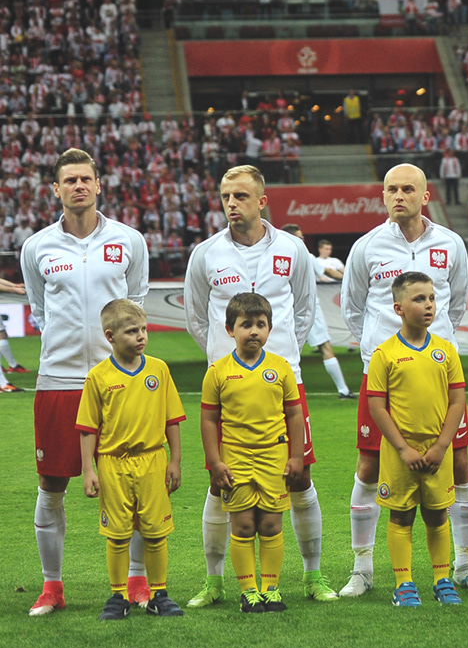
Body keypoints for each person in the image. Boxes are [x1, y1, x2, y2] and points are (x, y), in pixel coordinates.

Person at [342, 163, 468, 595]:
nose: (398, 196)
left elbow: (456, 303)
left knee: (459, 463)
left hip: (438, 373)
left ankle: (465, 564)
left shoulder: (451, 244)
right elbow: (354, 308)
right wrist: (379, 349)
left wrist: (433, 351)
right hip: (384, 374)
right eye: (391, 189)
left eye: (407, 189)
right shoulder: (367, 246)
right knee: (369, 465)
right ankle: (362, 568)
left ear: (425, 196)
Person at [183, 166, 330, 606]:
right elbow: (196, 317)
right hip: (227, 387)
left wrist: (279, 360)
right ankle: (214, 582)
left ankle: (312, 576)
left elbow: (304, 311)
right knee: (219, 481)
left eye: (241, 196)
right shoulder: (205, 253)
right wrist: (224, 360)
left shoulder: (293, 249)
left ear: (262, 201)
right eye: (226, 196)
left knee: (299, 477)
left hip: (283, 384)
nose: (231, 203)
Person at [21, 148, 151, 617]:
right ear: (55, 190)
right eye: (69, 180)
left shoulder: (130, 240)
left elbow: (134, 306)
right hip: (58, 379)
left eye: (85, 179)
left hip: (117, 380)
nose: (78, 186)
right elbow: (39, 310)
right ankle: (52, 587)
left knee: (131, 481)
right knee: (51, 481)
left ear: (99, 186)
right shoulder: (36, 247)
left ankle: (137, 581)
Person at [76, 299, 187, 619]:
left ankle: (159, 594)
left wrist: (175, 461)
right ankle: (117, 596)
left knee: (155, 531)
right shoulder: (98, 377)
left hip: (153, 461)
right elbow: (87, 428)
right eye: (131, 332)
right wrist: (88, 471)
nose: (141, 337)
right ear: (110, 336)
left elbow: (172, 420)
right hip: (113, 464)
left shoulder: (158, 370)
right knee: (118, 533)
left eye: (144, 330)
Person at [366, 272, 468, 607]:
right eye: (419, 299)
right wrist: (403, 448)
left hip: (439, 450)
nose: (428, 305)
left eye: (431, 298)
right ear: (398, 307)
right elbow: (376, 406)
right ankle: (404, 584)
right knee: (401, 516)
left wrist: (441, 447)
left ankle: (442, 580)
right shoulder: (385, 354)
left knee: (438, 514)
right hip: (400, 453)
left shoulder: (445, 351)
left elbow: (457, 400)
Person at [201, 292, 307, 613]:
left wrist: (297, 456)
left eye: (261, 324)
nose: (254, 331)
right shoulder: (218, 371)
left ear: (270, 329)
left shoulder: (281, 368)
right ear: (230, 330)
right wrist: (216, 462)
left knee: (272, 525)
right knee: (244, 525)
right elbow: (208, 419)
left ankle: (271, 589)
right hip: (235, 459)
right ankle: (249, 591)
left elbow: (293, 415)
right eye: (246, 325)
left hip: (273, 458)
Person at [282, 224, 353, 399]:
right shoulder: (304, 255)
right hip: (298, 309)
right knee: (320, 347)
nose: (302, 241)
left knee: (292, 349)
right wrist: (349, 280)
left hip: (296, 308)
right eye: (299, 238)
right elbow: (328, 272)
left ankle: (342, 390)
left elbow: (328, 271)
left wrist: (347, 279)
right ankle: (342, 390)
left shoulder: (291, 256)